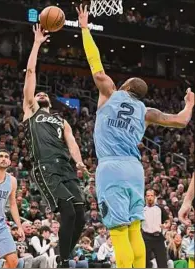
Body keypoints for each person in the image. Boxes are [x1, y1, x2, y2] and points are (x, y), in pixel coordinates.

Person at [76, 4, 194, 268]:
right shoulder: (146, 111)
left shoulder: (110, 92)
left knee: (118, 231)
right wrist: (190, 103)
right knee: (133, 229)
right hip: (135, 170)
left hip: (111, 166)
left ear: (126, 86)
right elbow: (181, 120)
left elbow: (96, 67)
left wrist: (84, 28)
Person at [22, 23, 86, 267]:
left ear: (49, 100)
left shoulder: (61, 120)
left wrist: (79, 161)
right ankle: (64, 260)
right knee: (68, 212)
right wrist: (37, 44)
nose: (40, 95)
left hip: (66, 167)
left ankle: (63, 256)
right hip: (46, 165)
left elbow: (72, 143)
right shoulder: (31, 112)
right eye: (37, 94)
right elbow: (30, 73)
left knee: (80, 217)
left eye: (42, 94)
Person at [0, 149, 25, 268]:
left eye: (6, 157)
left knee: (13, 262)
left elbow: (13, 204)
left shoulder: (12, 181)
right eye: (1, 156)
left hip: (0, 224)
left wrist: (19, 226)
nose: (3, 158)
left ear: (9, 162)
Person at [142, 189, 168, 267]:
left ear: (155, 197)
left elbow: (167, 220)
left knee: (163, 262)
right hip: (146, 238)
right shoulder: (141, 210)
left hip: (158, 237)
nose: (149, 197)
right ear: (145, 197)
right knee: (145, 263)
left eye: (151, 195)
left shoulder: (160, 209)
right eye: (148, 195)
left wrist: (166, 225)